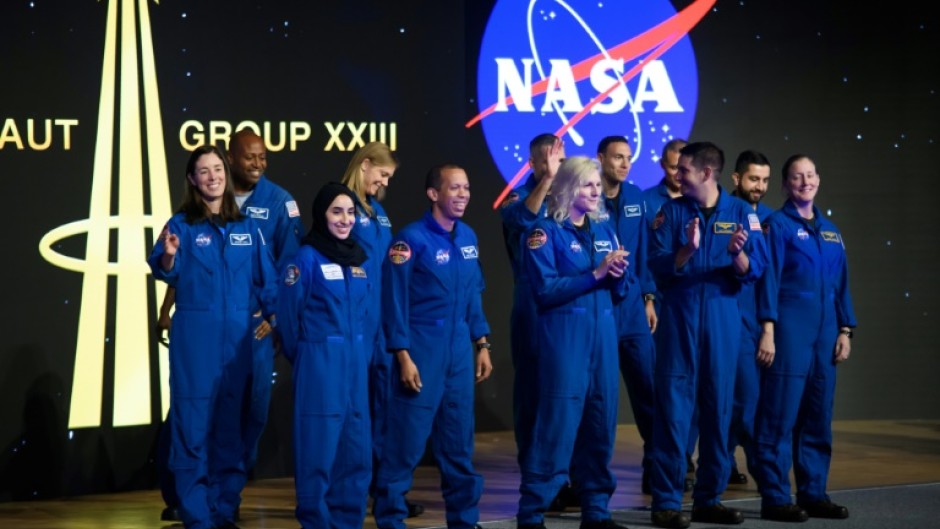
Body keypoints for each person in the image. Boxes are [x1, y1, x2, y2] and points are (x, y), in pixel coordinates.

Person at [153, 130, 303, 522]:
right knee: (192, 432)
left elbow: (269, 286)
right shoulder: (181, 226)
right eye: (204, 171)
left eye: (217, 168)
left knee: (230, 433)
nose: (213, 176)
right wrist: (169, 257)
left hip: (237, 348)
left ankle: (224, 511)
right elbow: (164, 269)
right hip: (195, 349)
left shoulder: (247, 228)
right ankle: (197, 516)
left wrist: (281, 326)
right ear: (192, 180)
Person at [647, 142, 767, 529]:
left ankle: (707, 500)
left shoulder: (741, 214)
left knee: (718, 414)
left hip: (722, 325)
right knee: (673, 415)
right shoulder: (671, 212)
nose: (676, 176)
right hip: (679, 324)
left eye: (684, 170)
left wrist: (738, 256)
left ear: (707, 173)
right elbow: (657, 268)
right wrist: (686, 250)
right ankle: (666, 501)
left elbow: (756, 269)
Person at [373, 164, 493, 529]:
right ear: (433, 194)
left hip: (459, 351)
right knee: (405, 446)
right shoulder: (410, 240)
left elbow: (473, 294)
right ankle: (391, 519)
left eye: (467, 188)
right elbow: (393, 303)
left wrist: (482, 342)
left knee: (458, 446)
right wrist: (403, 355)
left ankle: (464, 521)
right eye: (454, 188)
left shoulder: (468, 237)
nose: (462, 195)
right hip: (421, 350)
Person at [516, 156, 630, 529]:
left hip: (603, 341)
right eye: (587, 185)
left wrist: (616, 275)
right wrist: (595, 274)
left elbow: (619, 289)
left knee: (600, 426)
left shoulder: (604, 229)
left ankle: (596, 511)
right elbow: (545, 291)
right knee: (557, 428)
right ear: (567, 188)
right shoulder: (542, 233)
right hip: (566, 343)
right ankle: (532, 514)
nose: (596, 191)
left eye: (597, 185)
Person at [753, 154, 856, 522]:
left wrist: (845, 329)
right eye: (797, 177)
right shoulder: (776, 225)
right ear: (785, 185)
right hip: (789, 332)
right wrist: (768, 329)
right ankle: (776, 497)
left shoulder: (830, 230)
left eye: (810, 175)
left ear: (818, 180)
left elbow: (840, 284)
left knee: (817, 416)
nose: (805, 181)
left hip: (826, 335)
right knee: (779, 417)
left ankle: (813, 493)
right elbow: (769, 280)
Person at [277, 182, 373, 529]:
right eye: (337, 211)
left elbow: (366, 316)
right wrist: (309, 358)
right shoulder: (305, 258)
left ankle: (349, 522)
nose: (345, 219)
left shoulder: (359, 260)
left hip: (355, 366)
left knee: (356, 452)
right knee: (318, 452)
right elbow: (288, 321)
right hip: (320, 365)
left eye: (350, 212)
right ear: (321, 214)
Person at [338, 142, 424, 518]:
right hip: (353, 324)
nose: (384, 182)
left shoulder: (381, 213)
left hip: (382, 325)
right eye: (383, 174)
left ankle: (384, 493)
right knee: (353, 413)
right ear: (365, 164)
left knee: (383, 411)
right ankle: (348, 494)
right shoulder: (340, 207)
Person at [498, 133, 577, 510]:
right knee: (533, 395)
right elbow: (525, 218)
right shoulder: (517, 198)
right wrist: (546, 179)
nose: (556, 169)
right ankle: (536, 481)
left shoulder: (572, 199)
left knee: (564, 394)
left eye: (561, 164)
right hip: (532, 304)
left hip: (568, 304)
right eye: (548, 163)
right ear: (533, 164)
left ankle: (562, 479)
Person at [595, 136, 658, 495]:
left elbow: (645, 252)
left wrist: (648, 297)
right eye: (617, 157)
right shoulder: (586, 194)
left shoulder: (636, 197)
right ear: (600, 158)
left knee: (649, 391)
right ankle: (589, 477)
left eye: (628, 158)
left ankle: (656, 469)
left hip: (634, 308)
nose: (624, 164)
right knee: (599, 398)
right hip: (601, 305)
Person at [641, 138, 696, 492]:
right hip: (658, 307)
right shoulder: (647, 202)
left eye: (684, 167)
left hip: (693, 309)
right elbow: (641, 252)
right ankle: (657, 466)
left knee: (694, 388)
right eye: (674, 166)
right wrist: (647, 298)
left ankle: (685, 460)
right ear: (663, 165)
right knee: (662, 392)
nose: (679, 173)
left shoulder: (703, 203)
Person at [725, 150, 773, 486]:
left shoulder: (772, 219)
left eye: (765, 180)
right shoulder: (724, 213)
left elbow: (772, 276)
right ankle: (761, 473)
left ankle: (727, 464)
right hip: (731, 320)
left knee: (752, 399)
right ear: (736, 178)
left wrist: (770, 326)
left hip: (761, 321)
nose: (759, 186)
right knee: (738, 399)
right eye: (753, 179)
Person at [642, 138, 687, 226]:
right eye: (673, 168)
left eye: (683, 169)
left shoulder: (703, 200)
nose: (679, 175)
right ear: (662, 164)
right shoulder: (645, 200)